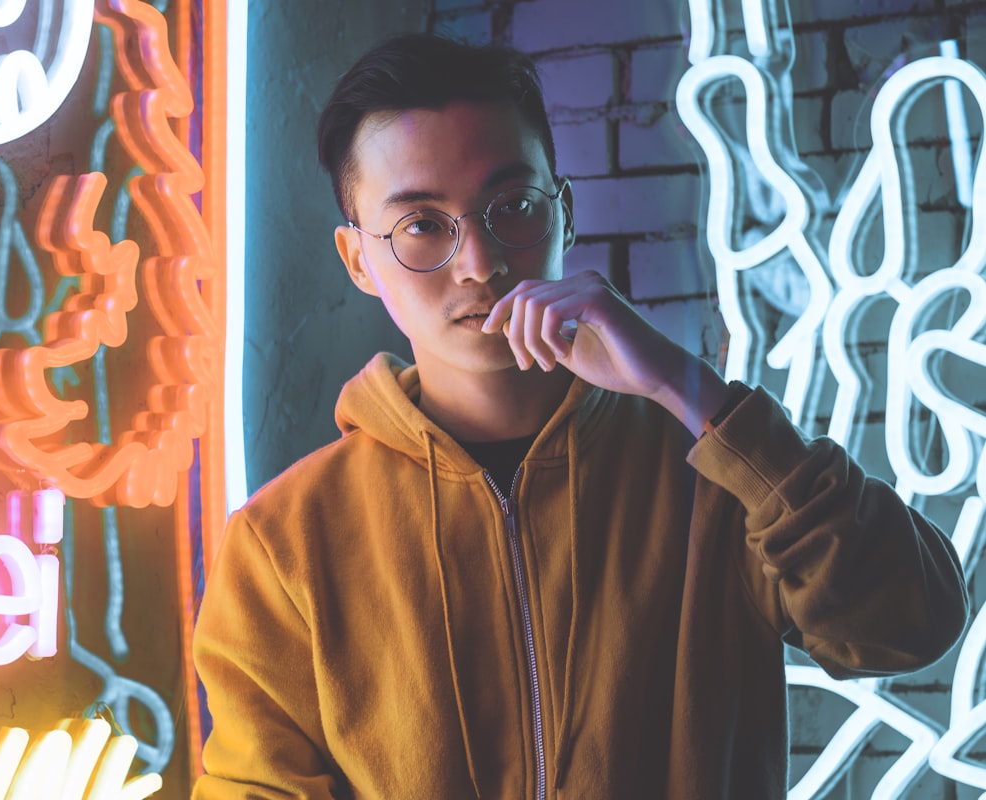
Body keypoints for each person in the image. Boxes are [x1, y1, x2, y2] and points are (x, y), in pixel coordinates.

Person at [192, 33, 969, 800]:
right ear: (358, 259)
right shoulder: (284, 542)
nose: (481, 262)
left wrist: (683, 386)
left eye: (513, 206)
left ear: (563, 215)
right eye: (423, 225)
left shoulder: (716, 470)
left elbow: (915, 622)